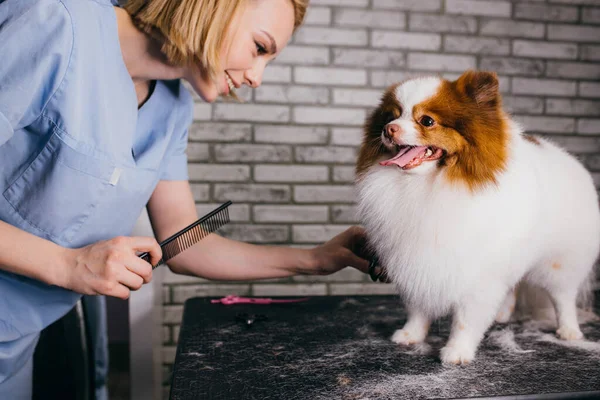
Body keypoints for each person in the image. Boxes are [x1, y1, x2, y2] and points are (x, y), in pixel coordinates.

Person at [0, 0, 385, 397]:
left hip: (16, 344)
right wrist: (68, 264)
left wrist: (319, 260)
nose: (257, 77)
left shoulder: (172, 109)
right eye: (259, 47)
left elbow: (184, 245)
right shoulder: (55, 24)